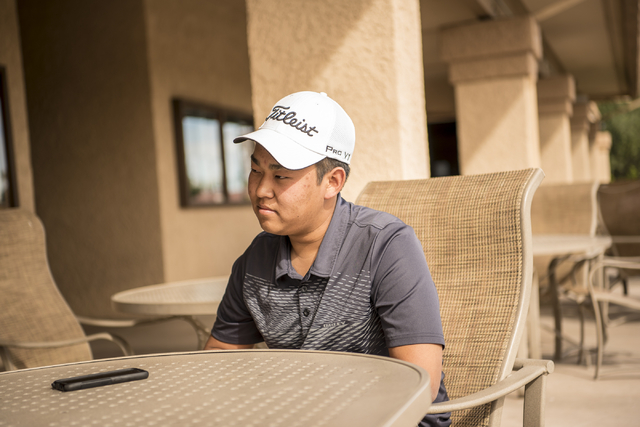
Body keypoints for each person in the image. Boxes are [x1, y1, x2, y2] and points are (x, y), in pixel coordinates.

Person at [205, 91, 451, 426]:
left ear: (332, 182)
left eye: (280, 176)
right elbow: (217, 364)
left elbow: (420, 384)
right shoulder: (254, 261)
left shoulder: (387, 246)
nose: (261, 189)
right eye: (255, 170)